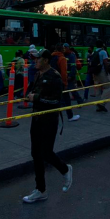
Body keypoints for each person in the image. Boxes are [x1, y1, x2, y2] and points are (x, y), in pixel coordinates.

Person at [22, 49, 73, 203]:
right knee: (35, 154)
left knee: (46, 152)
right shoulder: (38, 74)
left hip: (49, 120)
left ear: (45, 60)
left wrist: (35, 98)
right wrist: (29, 95)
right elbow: (29, 92)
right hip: (36, 118)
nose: (34, 61)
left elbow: (56, 102)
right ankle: (40, 190)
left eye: (37, 59)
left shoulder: (54, 77)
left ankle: (65, 169)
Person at [52, 43, 80, 121]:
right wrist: (65, 83)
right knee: (67, 99)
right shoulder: (62, 58)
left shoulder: (52, 56)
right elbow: (64, 73)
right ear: (62, 49)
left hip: (53, 81)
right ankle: (70, 116)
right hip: (60, 81)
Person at [63, 43, 84, 121]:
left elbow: (73, 66)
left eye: (65, 48)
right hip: (65, 76)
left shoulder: (71, 55)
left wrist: (71, 76)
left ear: (68, 48)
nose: (64, 49)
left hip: (70, 77)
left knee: (72, 90)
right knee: (65, 91)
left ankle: (80, 101)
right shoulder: (64, 56)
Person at [92, 40, 110, 112]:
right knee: (108, 87)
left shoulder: (94, 52)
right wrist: (107, 72)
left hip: (95, 73)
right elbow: (105, 62)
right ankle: (102, 104)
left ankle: (98, 106)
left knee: (98, 89)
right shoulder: (103, 52)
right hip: (102, 72)